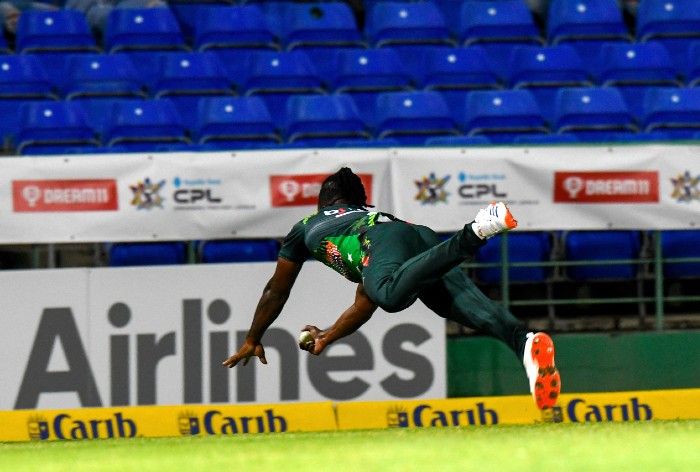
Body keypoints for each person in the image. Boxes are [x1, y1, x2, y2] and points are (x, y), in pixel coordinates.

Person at [223, 167, 560, 410]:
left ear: (322, 203)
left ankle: (474, 232)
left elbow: (275, 291)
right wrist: (327, 336)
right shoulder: (365, 218)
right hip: (414, 233)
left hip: (382, 242)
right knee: (463, 307)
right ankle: (526, 343)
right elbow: (365, 299)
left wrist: (253, 338)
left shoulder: (307, 227)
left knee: (391, 296)